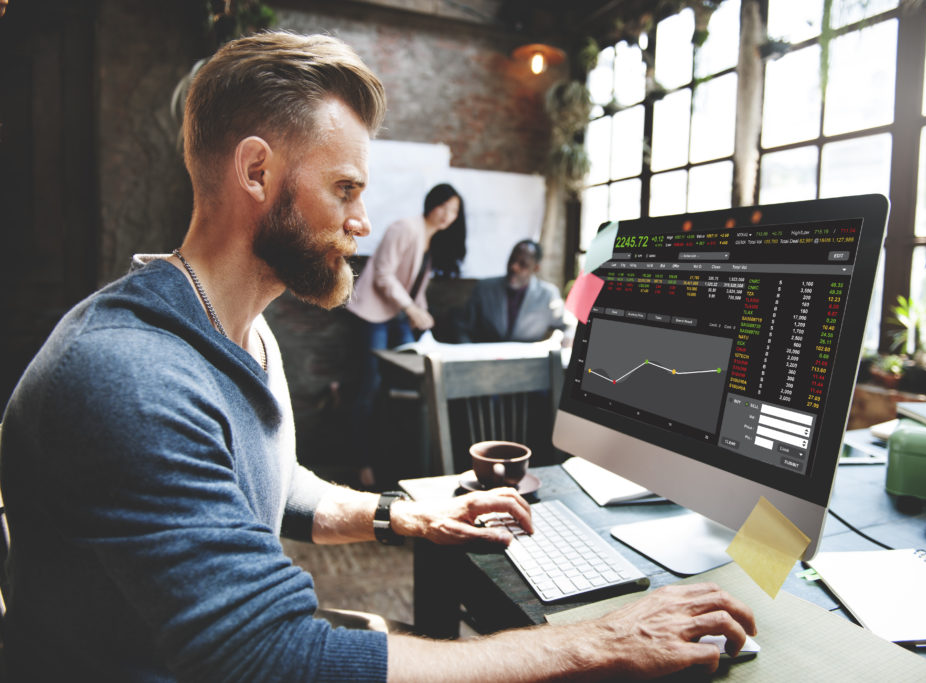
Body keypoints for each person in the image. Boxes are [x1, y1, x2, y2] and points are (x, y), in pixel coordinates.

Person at [0, 31, 755, 682]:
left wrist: (409, 516)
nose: (363, 220)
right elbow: (279, 657)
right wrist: (599, 642)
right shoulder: (128, 377)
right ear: (256, 172)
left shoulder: (241, 332)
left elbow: (274, 484)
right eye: (346, 188)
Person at [345, 183, 465, 487]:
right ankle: (361, 462)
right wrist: (412, 309)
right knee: (370, 386)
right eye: (444, 207)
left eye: (454, 212)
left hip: (398, 316)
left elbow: (416, 287)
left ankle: (394, 461)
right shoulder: (404, 228)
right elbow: (383, 275)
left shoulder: (431, 241)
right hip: (373, 314)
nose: (448, 216)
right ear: (431, 203)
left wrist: (421, 315)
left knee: (405, 386)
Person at [456, 239, 569, 344]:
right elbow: (463, 327)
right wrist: (470, 353)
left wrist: (567, 338)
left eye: (522, 264)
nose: (514, 267)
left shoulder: (548, 294)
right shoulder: (484, 288)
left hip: (529, 361)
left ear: (535, 268)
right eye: (512, 260)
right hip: (486, 360)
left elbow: (567, 326)